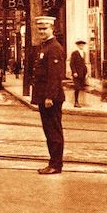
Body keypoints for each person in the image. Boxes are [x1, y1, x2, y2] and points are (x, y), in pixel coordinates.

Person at [31, 15, 66, 175]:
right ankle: (53, 162)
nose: (42, 32)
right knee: (49, 131)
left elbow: (55, 75)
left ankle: (56, 164)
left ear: (52, 29)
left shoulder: (54, 48)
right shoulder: (45, 47)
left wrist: (49, 96)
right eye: (40, 29)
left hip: (50, 98)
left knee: (53, 131)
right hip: (44, 96)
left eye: (45, 28)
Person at [70, 40, 87, 108]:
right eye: (80, 45)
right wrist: (74, 72)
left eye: (82, 45)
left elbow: (84, 64)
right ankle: (76, 102)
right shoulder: (75, 53)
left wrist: (86, 72)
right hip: (76, 73)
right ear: (77, 46)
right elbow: (72, 63)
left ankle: (80, 101)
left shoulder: (84, 53)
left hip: (82, 73)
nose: (81, 46)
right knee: (77, 87)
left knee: (81, 87)